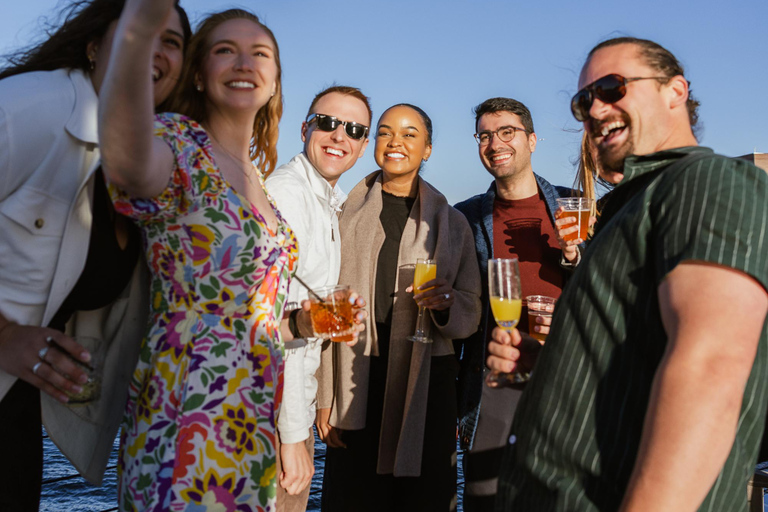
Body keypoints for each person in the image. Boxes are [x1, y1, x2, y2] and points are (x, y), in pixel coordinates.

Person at [488, 36, 768, 512]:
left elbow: (711, 371)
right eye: (583, 100)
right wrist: (554, 362)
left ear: (675, 91)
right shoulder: (634, 206)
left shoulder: (706, 182)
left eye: (613, 88)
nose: (595, 109)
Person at [98, 2, 301, 509]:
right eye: (224, 50)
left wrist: (304, 324)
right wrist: (139, 29)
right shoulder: (178, 142)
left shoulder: (260, 183)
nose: (243, 62)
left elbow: (253, 314)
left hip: (252, 413)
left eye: (260, 53)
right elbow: (127, 164)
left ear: (275, 81)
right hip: (187, 400)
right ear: (199, 73)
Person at [0, 0, 189, 509]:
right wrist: (4, 335)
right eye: (139, 30)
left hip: (17, 404)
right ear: (92, 46)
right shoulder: (32, 107)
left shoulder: (143, 164)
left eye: (170, 41)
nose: (154, 47)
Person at [318, 104, 482, 511]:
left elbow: (471, 309)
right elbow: (324, 305)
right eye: (386, 132)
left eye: (410, 134)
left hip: (427, 382)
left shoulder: (452, 223)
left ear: (427, 149)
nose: (396, 142)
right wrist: (324, 396)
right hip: (355, 379)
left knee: (423, 499)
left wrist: (446, 303)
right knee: (351, 498)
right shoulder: (340, 215)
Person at [452, 97, 579, 510]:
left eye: (507, 132)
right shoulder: (465, 217)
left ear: (532, 140)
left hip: (566, 384)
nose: (495, 143)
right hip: (495, 386)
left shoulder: (576, 206)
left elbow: (609, 293)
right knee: (487, 500)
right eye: (485, 135)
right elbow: (462, 315)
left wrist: (578, 256)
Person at [265, 85, 372, 510]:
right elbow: (277, 325)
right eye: (328, 123)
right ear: (305, 128)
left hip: (293, 404)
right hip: (272, 414)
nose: (339, 136)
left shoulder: (330, 200)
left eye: (354, 129)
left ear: (363, 147)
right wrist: (292, 435)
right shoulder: (287, 196)